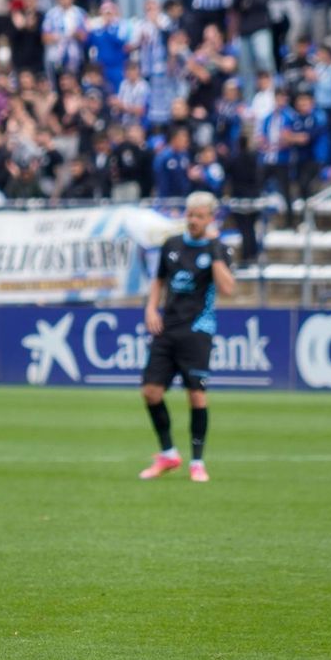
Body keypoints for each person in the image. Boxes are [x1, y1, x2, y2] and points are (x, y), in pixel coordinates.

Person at [138, 191, 236, 484]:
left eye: (199, 216)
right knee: (150, 391)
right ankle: (168, 454)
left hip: (198, 331)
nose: (193, 220)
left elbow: (228, 289)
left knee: (196, 395)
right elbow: (158, 280)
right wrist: (151, 308)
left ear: (210, 218)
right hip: (167, 328)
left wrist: (214, 249)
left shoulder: (219, 249)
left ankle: (197, 462)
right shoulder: (171, 244)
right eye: (190, 215)